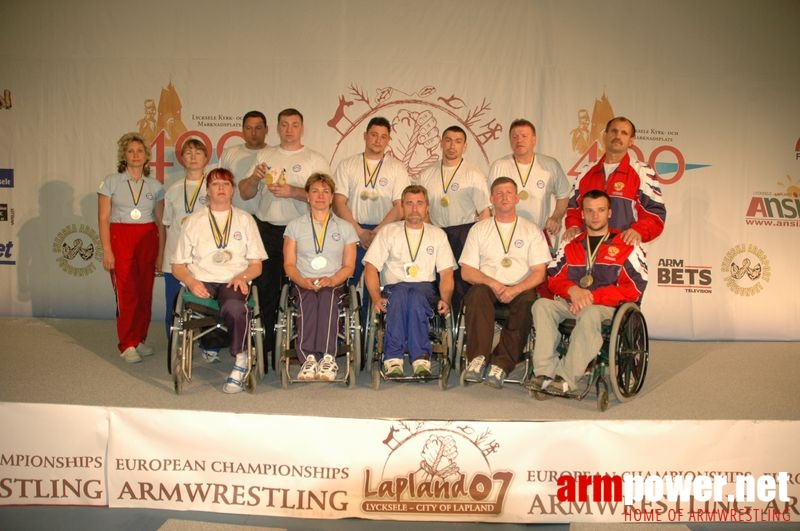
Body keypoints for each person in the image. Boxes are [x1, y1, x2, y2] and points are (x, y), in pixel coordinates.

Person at [531, 190, 647, 393]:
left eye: (601, 210)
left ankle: (567, 377)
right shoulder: (571, 244)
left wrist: (592, 297)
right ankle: (545, 372)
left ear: (609, 213)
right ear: (582, 214)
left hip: (607, 308)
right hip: (572, 302)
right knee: (542, 305)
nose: (595, 215)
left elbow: (635, 287)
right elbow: (554, 277)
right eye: (590, 211)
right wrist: (573, 290)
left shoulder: (627, 244)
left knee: (590, 312)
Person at [238, 108, 330, 362]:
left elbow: (324, 197)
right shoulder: (265, 154)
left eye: (294, 125)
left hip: (300, 231)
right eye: (284, 125)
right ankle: (265, 345)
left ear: (302, 128)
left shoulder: (314, 158)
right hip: (266, 229)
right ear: (277, 128)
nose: (289, 129)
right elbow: (245, 193)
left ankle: (295, 345)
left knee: (297, 288)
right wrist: (255, 179)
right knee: (265, 288)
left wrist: (293, 191)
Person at [171, 168, 267, 394]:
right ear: (207, 190)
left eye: (225, 184)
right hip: (201, 280)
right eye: (215, 184)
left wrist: (242, 276)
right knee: (195, 301)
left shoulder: (245, 220)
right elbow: (177, 266)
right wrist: (191, 281)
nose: (221, 188)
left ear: (233, 189)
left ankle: (241, 360)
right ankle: (218, 346)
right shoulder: (193, 221)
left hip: (232, 280)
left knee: (234, 307)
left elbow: (257, 265)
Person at [459, 177, 551, 388]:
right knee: (476, 294)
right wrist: (494, 284)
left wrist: (515, 289)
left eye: (509, 192)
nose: (504, 197)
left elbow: (539, 273)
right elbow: (467, 271)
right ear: (491, 199)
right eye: (499, 193)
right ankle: (477, 358)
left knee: (528, 303)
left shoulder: (531, 230)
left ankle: (501, 363)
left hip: (521, 287)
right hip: (489, 285)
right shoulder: (479, 229)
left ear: (517, 198)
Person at [363, 185, 455, 377]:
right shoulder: (388, 232)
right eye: (409, 203)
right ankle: (393, 359)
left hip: (425, 288)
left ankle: (420, 359)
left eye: (419, 203)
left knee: (414, 297)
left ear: (427, 207)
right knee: (401, 294)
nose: (414, 209)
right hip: (393, 288)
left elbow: (446, 274)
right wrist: (375, 298)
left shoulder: (437, 235)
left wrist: (445, 299)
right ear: (402, 207)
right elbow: (371, 268)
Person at [97, 132, 165, 363]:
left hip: (148, 239)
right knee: (127, 294)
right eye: (130, 151)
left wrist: (161, 254)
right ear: (123, 156)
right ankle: (126, 344)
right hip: (121, 237)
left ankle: (138, 339)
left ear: (146, 156)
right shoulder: (110, 182)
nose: (135, 155)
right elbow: (103, 219)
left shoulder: (156, 186)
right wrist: (107, 250)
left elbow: (161, 222)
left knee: (145, 294)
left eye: (140, 151)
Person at [283, 173, 358, 381]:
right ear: (307, 196)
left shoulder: (345, 228)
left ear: (332, 197)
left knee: (327, 296)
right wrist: (301, 281)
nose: (320, 196)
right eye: (315, 191)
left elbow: (349, 266)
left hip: (334, 282)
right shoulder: (295, 226)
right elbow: (289, 264)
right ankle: (308, 359)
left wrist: (332, 280)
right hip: (302, 280)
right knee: (307, 297)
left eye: (326, 191)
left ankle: (327, 358)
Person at [418, 125, 490, 315]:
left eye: (458, 141)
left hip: (465, 233)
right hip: (434, 231)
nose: (452, 146)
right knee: (432, 279)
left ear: (464, 146)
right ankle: (435, 327)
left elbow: (484, 212)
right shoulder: (426, 174)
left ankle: (460, 332)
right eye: (448, 140)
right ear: (441, 143)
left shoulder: (474, 174)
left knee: (461, 284)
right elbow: (419, 209)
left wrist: (482, 244)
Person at [563, 116, 666, 246]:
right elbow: (574, 208)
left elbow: (655, 213)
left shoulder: (643, 172)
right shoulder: (586, 171)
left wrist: (638, 230)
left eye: (624, 133)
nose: (618, 136)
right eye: (614, 131)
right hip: (587, 251)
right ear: (605, 136)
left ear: (631, 141)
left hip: (625, 250)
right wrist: (573, 226)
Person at [488, 118, 571, 241]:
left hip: (537, 234)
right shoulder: (499, 166)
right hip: (504, 235)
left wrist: (556, 217)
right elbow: (488, 202)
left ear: (534, 139)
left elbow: (563, 195)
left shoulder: (550, 165)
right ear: (510, 140)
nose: (519, 140)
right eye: (514, 137)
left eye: (524, 136)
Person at [161, 138, 210, 346]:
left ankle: (210, 345)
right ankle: (175, 343)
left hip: (204, 258)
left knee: (207, 304)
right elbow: (166, 224)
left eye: (198, 153)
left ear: (206, 158)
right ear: (182, 159)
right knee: (174, 303)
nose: (192, 157)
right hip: (176, 257)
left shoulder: (213, 187)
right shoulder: (172, 189)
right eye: (188, 153)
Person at [218, 110, 268, 216]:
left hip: (266, 222)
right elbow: (220, 185)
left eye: (258, 128)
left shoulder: (274, 154)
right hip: (235, 217)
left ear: (266, 129)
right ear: (243, 130)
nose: (253, 133)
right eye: (249, 128)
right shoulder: (229, 153)